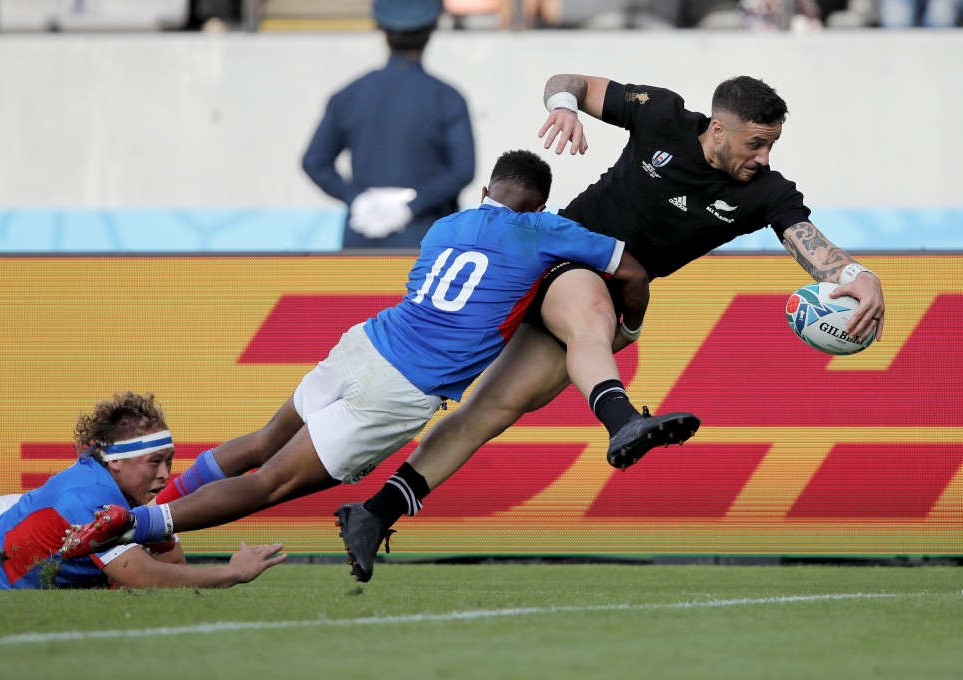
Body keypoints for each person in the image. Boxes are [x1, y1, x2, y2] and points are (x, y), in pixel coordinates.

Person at [329, 72, 889, 582]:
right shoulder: (661, 114)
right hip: (560, 258)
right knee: (593, 318)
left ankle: (374, 514)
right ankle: (622, 421)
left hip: (618, 285)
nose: (764, 157)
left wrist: (859, 276)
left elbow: (809, 244)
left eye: (772, 145)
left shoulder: (764, 191)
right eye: (755, 143)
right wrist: (566, 106)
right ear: (718, 128)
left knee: (490, 413)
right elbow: (564, 80)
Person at [60, 150, 693, 565]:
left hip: (362, 344)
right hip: (398, 388)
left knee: (259, 444)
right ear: (539, 205)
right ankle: (132, 527)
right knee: (268, 483)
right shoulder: (542, 231)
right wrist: (626, 328)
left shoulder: (444, 228)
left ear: (487, 192)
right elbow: (631, 268)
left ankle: (146, 512)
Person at [0, 392, 287, 590]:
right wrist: (233, 572)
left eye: (169, 461)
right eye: (154, 462)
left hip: (13, 520)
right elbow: (145, 576)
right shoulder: (87, 498)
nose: (165, 474)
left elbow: (175, 564)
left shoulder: (130, 495)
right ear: (117, 462)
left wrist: (163, 538)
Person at [301, 0, 475, 249]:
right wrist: (412, 206)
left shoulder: (349, 94)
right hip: (426, 239)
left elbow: (314, 161)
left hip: (362, 236)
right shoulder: (447, 97)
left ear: (383, 32)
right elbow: (462, 169)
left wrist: (357, 199)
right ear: (432, 29)